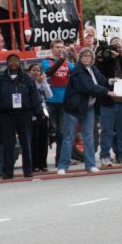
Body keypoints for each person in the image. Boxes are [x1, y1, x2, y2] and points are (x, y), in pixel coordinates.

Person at [59, 48, 117, 175]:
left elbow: (101, 80)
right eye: (84, 56)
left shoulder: (92, 69)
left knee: (89, 137)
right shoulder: (78, 71)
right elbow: (88, 87)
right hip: (74, 108)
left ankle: (90, 165)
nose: (86, 58)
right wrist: (107, 92)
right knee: (69, 137)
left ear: (92, 58)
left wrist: (110, 81)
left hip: (88, 107)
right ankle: (63, 166)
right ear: (80, 58)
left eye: (88, 56)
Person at [0, 53, 41, 179]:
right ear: (7, 63)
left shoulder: (27, 79)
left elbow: (35, 96)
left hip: (24, 114)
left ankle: (28, 171)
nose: (13, 63)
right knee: (8, 144)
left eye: (16, 61)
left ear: (19, 63)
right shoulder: (1, 80)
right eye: (11, 61)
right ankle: (8, 172)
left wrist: (38, 111)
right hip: (6, 115)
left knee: (26, 143)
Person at [96, 38, 122, 167]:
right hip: (108, 100)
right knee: (107, 130)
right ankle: (105, 156)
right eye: (113, 47)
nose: (116, 49)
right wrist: (102, 54)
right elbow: (97, 73)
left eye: (119, 47)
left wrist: (119, 56)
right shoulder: (104, 60)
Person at [43, 39, 73, 168]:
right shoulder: (46, 61)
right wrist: (60, 61)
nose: (60, 49)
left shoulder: (68, 63)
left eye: (62, 47)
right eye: (57, 47)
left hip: (63, 102)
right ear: (52, 49)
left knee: (61, 133)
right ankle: (41, 162)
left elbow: (76, 73)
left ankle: (60, 160)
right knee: (48, 133)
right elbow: (49, 72)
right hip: (50, 102)